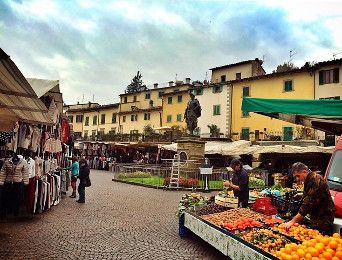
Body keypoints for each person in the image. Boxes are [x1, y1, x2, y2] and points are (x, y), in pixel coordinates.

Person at [284, 162, 335, 234]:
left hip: (323, 217)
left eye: (298, 176)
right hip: (316, 214)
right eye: (295, 177)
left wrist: (293, 221)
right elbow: (310, 195)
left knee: (322, 239)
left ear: (304, 171)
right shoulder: (309, 179)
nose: (297, 179)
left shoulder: (316, 180)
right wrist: (301, 195)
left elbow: (308, 204)